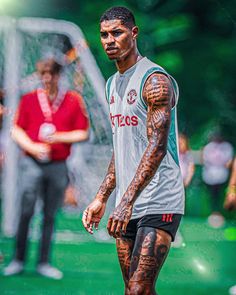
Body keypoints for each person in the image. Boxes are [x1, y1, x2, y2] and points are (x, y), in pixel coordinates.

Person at [82, 6, 184, 295]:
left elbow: (157, 147)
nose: (109, 40)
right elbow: (122, 147)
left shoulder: (154, 81)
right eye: (104, 35)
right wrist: (102, 197)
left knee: (138, 288)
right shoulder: (112, 84)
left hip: (161, 196)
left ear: (134, 33)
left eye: (117, 32)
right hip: (128, 200)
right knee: (133, 289)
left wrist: (124, 201)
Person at [4, 58, 89, 279]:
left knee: (50, 214)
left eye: (51, 74)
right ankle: (18, 260)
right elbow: (16, 130)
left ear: (59, 76)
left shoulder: (72, 100)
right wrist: (32, 146)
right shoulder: (30, 99)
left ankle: (44, 262)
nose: (47, 78)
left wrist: (57, 137)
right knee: (26, 210)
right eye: (43, 74)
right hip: (31, 162)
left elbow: (83, 133)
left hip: (58, 164)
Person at [202, 133, 233, 228]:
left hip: (222, 174)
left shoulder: (227, 147)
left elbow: (229, 161)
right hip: (210, 175)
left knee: (221, 196)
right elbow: (205, 159)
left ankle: (221, 214)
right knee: (213, 196)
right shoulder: (209, 147)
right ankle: (213, 213)